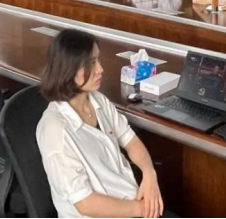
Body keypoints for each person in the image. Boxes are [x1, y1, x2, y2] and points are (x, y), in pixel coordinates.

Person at [37, 29, 164, 219]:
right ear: (68, 69)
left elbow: (131, 141)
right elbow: (85, 203)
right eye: (91, 63)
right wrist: (141, 209)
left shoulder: (98, 101)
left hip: (130, 202)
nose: (100, 69)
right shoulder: (55, 131)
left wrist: (149, 174)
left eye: (98, 60)